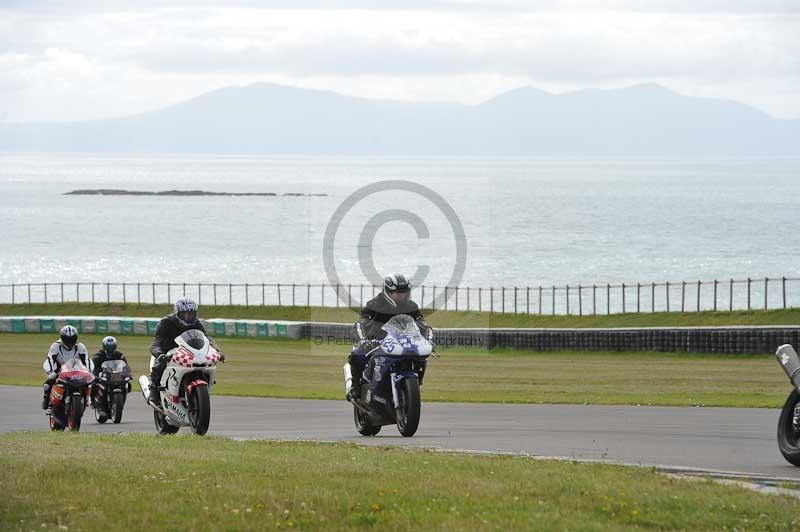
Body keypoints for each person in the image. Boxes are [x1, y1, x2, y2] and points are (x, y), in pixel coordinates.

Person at [347, 273, 433, 401]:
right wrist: (362, 341)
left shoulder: (411, 306)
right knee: (356, 355)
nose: (402, 296)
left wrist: (429, 339)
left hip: (403, 341)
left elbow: (424, 326)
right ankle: (355, 388)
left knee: (421, 358)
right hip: (376, 342)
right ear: (388, 292)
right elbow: (360, 324)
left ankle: (413, 386)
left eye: (405, 292)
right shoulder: (374, 304)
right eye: (398, 293)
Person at [148, 297, 220, 405]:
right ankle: (153, 390)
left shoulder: (197, 324)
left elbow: (207, 338)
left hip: (188, 352)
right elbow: (156, 342)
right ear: (177, 313)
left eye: (190, 314)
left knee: (204, 364)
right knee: (159, 366)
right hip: (168, 352)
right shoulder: (166, 322)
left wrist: (217, 351)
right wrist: (159, 354)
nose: (187, 317)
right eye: (184, 314)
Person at [41, 325, 93, 410]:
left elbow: (86, 360)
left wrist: (89, 371)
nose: (70, 341)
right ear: (62, 337)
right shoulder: (55, 346)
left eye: (72, 338)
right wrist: (51, 372)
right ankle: (46, 399)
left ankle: (88, 399)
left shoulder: (80, 346)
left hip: (77, 370)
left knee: (91, 382)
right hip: (60, 370)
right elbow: (50, 359)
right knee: (49, 382)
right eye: (67, 338)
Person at [91, 336, 127, 404]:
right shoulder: (98, 356)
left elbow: (125, 366)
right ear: (104, 346)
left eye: (112, 347)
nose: (110, 349)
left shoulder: (120, 355)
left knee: (127, 384)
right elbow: (94, 368)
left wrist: (127, 373)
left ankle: (121, 400)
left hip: (116, 375)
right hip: (103, 375)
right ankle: (93, 401)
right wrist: (95, 375)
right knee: (93, 384)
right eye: (109, 347)